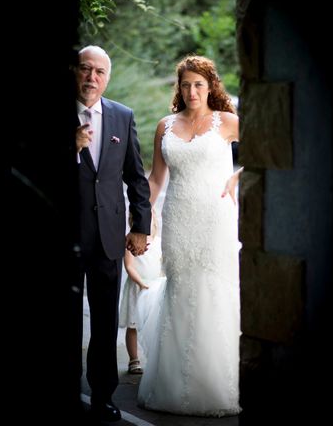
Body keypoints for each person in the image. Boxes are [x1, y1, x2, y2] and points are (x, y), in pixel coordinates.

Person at [137, 55, 243, 416]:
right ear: (178, 88)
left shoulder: (227, 122)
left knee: (213, 292)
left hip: (216, 219)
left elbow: (268, 145)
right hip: (178, 218)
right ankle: (172, 385)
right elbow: (154, 179)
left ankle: (213, 387)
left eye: (199, 84)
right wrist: (139, 220)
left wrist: (237, 175)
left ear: (211, 85)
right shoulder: (166, 125)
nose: (192, 90)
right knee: (180, 291)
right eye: (185, 84)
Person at [71, 45, 151, 422]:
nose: (91, 78)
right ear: (75, 72)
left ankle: (102, 396)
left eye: (99, 72)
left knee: (104, 323)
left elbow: (136, 176)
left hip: (108, 235)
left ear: (108, 77)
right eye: (85, 69)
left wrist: (141, 226)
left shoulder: (122, 115)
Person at [118, 208, 163, 375]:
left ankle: (154, 357)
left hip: (153, 289)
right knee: (133, 325)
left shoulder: (158, 242)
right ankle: (133, 359)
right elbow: (129, 266)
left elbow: (161, 263)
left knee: (154, 324)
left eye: (149, 217)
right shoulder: (131, 241)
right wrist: (141, 283)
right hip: (137, 289)